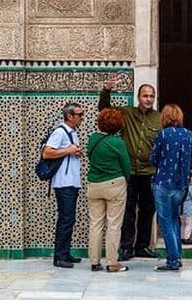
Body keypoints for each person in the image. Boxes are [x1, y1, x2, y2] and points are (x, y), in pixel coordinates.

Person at [98, 77, 161, 261]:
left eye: (151, 96)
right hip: (129, 173)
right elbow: (104, 110)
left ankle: (142, 246)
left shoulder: (159, 118)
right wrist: (106, 90)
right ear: (138, 97)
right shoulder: (127, 113)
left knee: (148, 210)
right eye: (145, 95)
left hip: (149, 173)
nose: (148, 99)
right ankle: (126, 247)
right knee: (128, 211)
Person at [149, 104, 192, 272]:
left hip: (163, 183)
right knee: (175, 218)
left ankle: (173, 260)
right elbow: (190, 158)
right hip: (181, 185)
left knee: (165, 221)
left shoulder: (162, 134)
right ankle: (178, 256)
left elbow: (153, 158)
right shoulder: (189, 135)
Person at [86, 108, 131, 273]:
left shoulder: (92, 139)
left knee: (95, 224)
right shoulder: (118, 142)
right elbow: (126, 166)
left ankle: (94, 262)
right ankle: (112, 262)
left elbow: (90, 157)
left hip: (94, 185)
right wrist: (125, 179)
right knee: (114, 225)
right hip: (114, 184)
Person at [42, 102, 85, 269]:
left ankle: (65, 253)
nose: (82, 118)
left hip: (72, 182)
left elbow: (69, 151)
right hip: (63, 183)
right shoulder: (60, 132)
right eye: (79, 114)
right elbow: (47, 152)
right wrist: (68, 151)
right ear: (69, 116)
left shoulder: (72, 133)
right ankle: (59, 256)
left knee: (69, 218)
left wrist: (75, 151)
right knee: (65, 219)